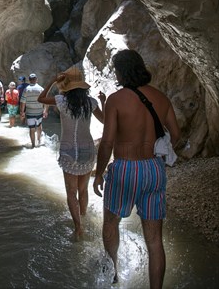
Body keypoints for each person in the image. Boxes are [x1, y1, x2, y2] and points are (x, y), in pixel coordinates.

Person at [93, 49, 180, 288]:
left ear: (122, 71)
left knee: (111, 223)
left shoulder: (116, 99)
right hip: (154, 168)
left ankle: (114, 276)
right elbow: (177, 134)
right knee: (154, 240)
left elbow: (108, 141)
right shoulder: (161, 98)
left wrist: (99, 173)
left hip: (125, 169)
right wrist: (158, 152)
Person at [38, 66, 105, 240]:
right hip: (88, 149)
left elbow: (41, 98)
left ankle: (78, 228)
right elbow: (105, 120)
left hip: (68, 150)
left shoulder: (61, 101)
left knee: (71, 192)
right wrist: (103, 101)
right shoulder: (91, 102)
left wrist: (53, 81)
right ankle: (84, 218)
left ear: (66, 86)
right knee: (83, 190)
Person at [19, 73, 46, 148]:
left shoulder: (26, 89)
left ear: (29, 80)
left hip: (30, 112)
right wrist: (45, 110)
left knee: (31, 129)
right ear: (36, 80)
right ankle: (39, 141)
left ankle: (33, 145)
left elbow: (23, 102)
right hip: (39, 112)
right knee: (39, 125)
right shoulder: (41, 89)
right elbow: (46, 101)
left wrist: (22, 112)